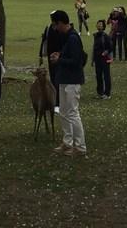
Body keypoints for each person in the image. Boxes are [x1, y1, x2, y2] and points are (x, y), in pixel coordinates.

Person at [49, 9, 87, 157]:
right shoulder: (66, 37)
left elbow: (76, 61)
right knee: (64, 112)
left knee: (72, 112)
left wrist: (60, 60)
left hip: (72, 80)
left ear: (60, 23)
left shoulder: (73, 38)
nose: (55, 28)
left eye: (55, 24)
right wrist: (60, 55)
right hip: (64, 79)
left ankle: (80, 146)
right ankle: (67, 142)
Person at [39, 17, 65, 114]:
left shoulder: (60, 29)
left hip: (58, 57)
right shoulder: (49, 27)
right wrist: (40, 55)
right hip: (51, 58)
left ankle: (58, 103)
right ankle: (53, 102)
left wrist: (60, 54)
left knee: (57, 80)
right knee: (53, 80)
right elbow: (44, 41)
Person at [92, 19, 113, 99]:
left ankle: (107, 93)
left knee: (106, 76)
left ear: (103, 26)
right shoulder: (95, 35)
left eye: (101, 24)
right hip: (97, 59)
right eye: (98, 24)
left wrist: (106, 52)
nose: (99, 25)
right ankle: (100, 92)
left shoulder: (105, 36)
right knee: (98, 76)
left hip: (104, 59)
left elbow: (110, 47)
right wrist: (93, 59)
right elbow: (94, 48)